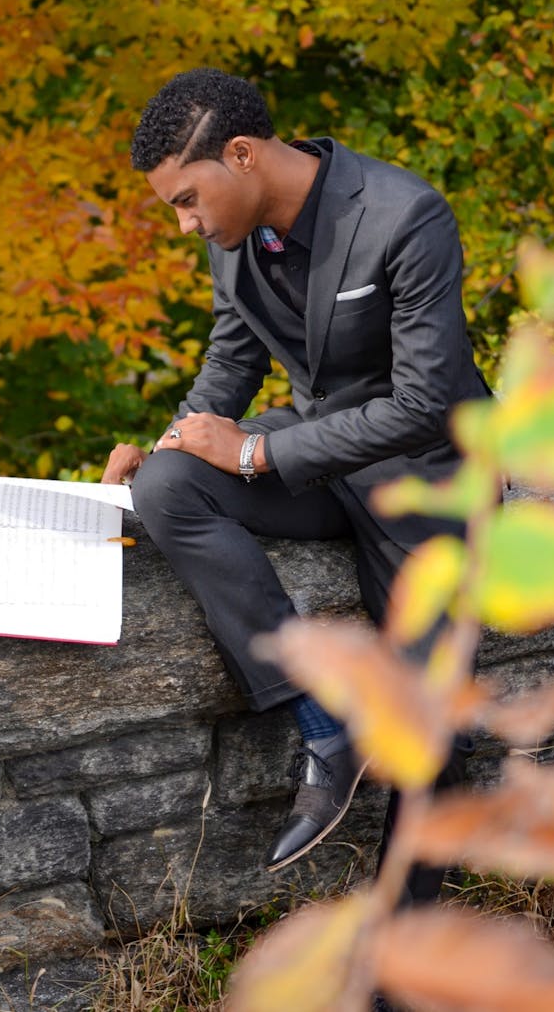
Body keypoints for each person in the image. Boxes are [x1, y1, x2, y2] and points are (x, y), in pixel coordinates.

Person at [102, 67, 487, 887]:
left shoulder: (404, 215)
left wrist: (255, 454)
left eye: (185, 200)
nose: (185, 223)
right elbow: (230, 366)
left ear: (240, 154)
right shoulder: (235, 240)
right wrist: (167, 441)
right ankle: (323, 717)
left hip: (428, 475)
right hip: (319, 458)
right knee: (167, 485)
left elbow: (424, 403)